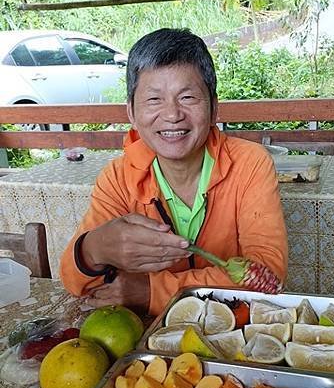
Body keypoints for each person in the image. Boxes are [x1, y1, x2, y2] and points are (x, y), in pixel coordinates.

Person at [59, 28, 288, 316]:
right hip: (144, 338)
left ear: (214, 107)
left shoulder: (249, 164)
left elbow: (266, 274)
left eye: (188, 97)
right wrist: (95, 249)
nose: (172, 114)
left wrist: (152, 291)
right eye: (154, 99)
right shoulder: (118, 178)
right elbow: (80, 284)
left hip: (231, 328)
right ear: (130, 111)